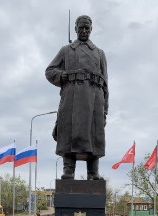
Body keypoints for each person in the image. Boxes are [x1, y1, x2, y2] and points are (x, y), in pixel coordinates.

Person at [45, 15, 109, 180]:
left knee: (94, 135)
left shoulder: (100, 53)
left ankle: (93, 173)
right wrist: (63, 75)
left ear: (91, 29)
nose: (84, 31)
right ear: (75, 29)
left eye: (87, 28)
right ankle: (68, 170)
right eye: (81, 27)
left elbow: (105, 84)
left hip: (95, 99)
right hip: (72, 97)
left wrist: (105, 110)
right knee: (68, 132)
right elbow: (50, 71)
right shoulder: (66, 50)